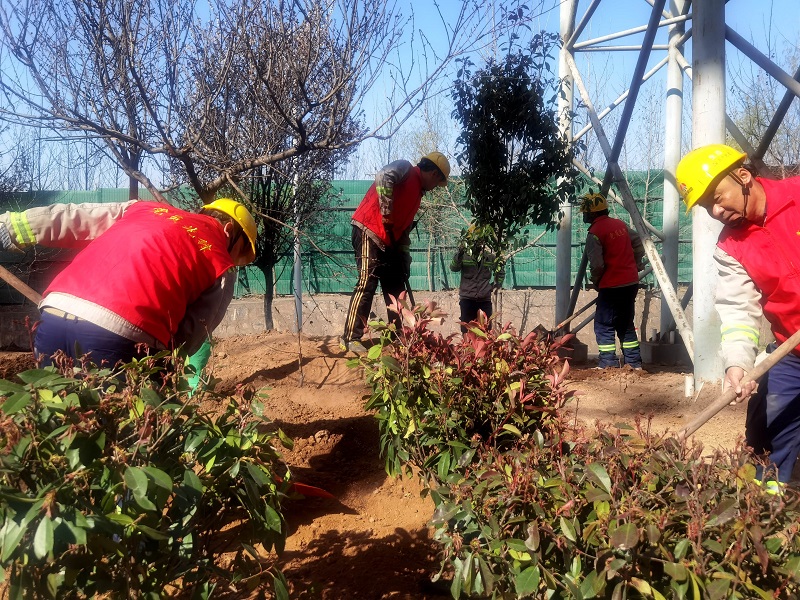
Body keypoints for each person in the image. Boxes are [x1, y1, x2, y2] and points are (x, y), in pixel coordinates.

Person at [0, 197, 257, 368]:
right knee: (127, 438)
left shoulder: (144, 209)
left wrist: (12, 227)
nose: (234, 261)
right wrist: (165, 368)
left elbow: (77, 218)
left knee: (54, 423)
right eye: (239, 253)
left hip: (54, 313)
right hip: (122, 336)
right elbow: (194, 330)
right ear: (228, 230)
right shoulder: (220, 262)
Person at [676, 143, 800, 484]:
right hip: (793, 347)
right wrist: (737, 364)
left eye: (718, 197)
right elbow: (737, 309)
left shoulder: (797, 195)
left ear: (743, 176)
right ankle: (765, 511)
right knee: (766, 432)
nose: (716, 211)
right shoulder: (731, 247)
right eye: (706, 207)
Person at [341, 151, 450, 354]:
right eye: (439, 183)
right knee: (368, 281)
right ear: (434, 174)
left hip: (389, 242)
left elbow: (404, 231)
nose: (435, 188)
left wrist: (404, 260)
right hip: (369, 229)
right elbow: (383, 176)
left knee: (396, 289)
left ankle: (396, 336)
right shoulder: (406, 169)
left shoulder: (417, 195)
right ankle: (350, 338)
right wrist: (386, 211)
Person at [580, 192, 645, 369]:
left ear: (592, 214)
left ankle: (608, 363)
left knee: (604, 324)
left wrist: (596, 281)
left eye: (585, 212)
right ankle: (634, 363)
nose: (584, 216)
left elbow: (597, 265)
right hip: (630, 283)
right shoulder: (620, 225)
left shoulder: (594, 233)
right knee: (625, 323)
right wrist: (637, 262)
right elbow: (639, 242)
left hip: (611, 285)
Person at [450, 224, 505, 333]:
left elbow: (500, 272)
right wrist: (460, 253)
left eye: (480, 240)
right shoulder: (464, 256)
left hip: (484, 300)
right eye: (475, 240)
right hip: (467, 299)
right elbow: (453, 268)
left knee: (485, 329)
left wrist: (495, 286)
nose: (478, 243)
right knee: (467, 329)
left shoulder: (490, 257)